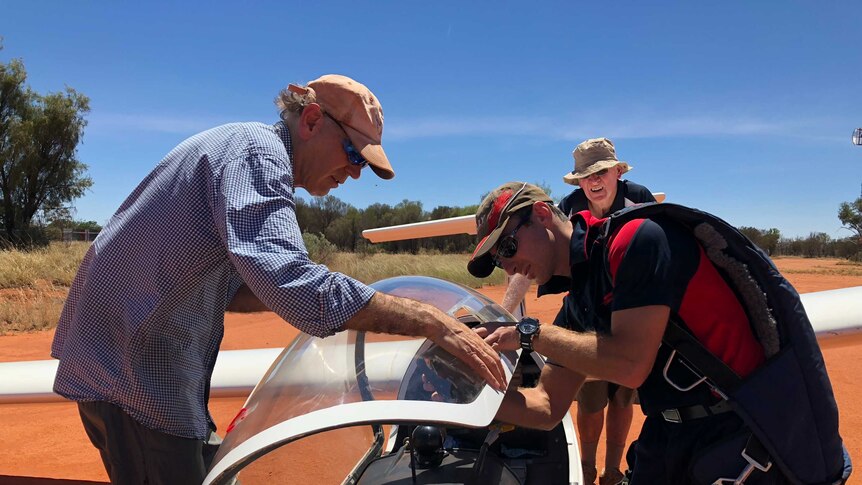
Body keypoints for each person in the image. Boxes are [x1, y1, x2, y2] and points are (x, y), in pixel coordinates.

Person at [50, 74, 506, 484]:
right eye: (352, 154)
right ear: (310, 120)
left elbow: (251, 285)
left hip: (127, 366)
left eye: (362, 165)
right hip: (135, 379)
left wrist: (340, 295)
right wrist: (431, 321)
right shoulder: (258, 154)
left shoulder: (241, 149)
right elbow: (296, 289)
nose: (353, 173)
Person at [467, 182, 849, 484]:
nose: (509, 265)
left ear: (542, 214)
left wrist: (529, 333)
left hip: (737, 433)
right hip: (670, 435)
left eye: (509, 245)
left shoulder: (637, 241)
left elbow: (630, 365)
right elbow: (547, 406)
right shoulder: (579, 299)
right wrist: (464, 401)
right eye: (500, 259)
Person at [498, 138, 654, 485]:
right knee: (589, 399)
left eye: (600, 172)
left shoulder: (639, 200)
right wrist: (505, 315)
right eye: (585, 176)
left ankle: (612, 472)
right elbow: (535, 261)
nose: (594, 181)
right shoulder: (567, 209)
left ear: (617, 172)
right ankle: (586, 468)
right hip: (586, 313)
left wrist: (532, 334)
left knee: (622, 396)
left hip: (632, 312)